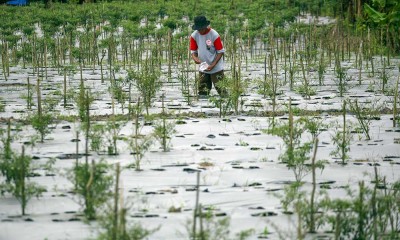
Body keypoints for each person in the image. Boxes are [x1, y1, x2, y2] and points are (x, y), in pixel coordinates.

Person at [190, 16, 226, 97]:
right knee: (203, 91)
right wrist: (195, 58)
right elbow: (193, 51)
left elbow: (220, 52)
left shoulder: (214, 34)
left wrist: (213, 65)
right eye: (198, 29)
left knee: (222, 90)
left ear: (206, 26)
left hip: (216, 67)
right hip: (203, 67)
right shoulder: (194, 35)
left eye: (201, 29)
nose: (200, 31)